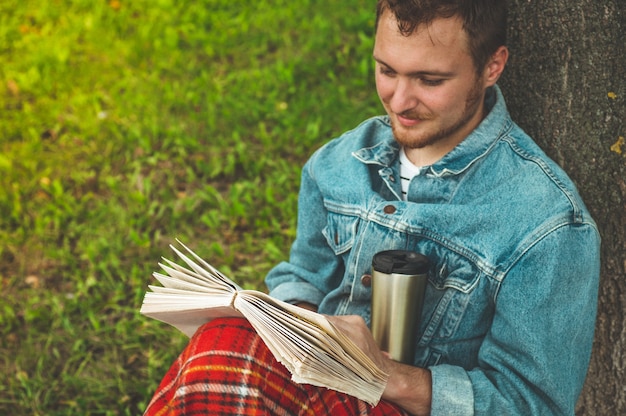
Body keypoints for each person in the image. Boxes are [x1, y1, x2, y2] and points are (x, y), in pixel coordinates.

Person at [144, 0, 600, 414]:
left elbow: (530, 403)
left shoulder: (547, 222)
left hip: (405, 407)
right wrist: (297, 324)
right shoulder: (337, 164)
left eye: (429, 80)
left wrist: (388, 376)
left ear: (492, 66)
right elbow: (303, 277)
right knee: (217, 347)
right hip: (317, 385)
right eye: (387, 71)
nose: (399, 102)